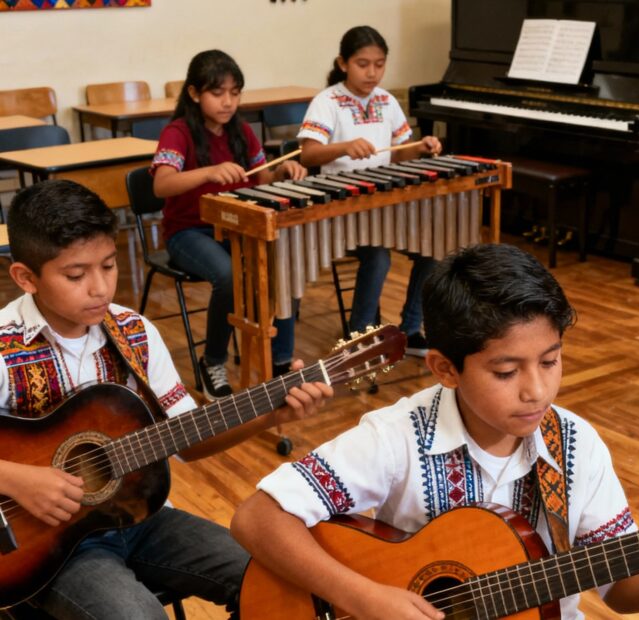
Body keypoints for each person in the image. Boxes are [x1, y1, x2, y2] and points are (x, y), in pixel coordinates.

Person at [231, 243, 639, 619]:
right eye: (506, 372)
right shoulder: (397, 437)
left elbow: (620, 590)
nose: (537, 391)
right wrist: (362, 597)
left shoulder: (575, 446)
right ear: (445, 368)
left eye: (550, 361)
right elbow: (257, 517)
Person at [0, 180, 332, 619]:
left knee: (274, 577)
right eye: (76, 276)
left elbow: (187, 440)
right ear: (25, 277)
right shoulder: (4, 346)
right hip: (46, 548)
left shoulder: (134, 332)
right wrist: (16, 479)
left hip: (142, 518)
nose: (100, 288)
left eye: (109, 265)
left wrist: (269, 415)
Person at [153, 49, 308, 399]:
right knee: (228, 276)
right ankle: (212, 362)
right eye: (217, 92)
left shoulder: (241, 131)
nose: (228, 102)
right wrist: (208, 172)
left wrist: (282, 172)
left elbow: (262, 178)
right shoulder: (178, 132)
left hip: (238, 226)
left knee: (282, 262)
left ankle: (281, 362)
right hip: (188, 232)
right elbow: (161, 184)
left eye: (235, 93)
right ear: (194, 93)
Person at [297, 25, 443, 357]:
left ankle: (412, 329)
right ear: (343, 63)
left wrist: (422, 147)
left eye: (379, 64)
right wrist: (344, 147)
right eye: (363, 64)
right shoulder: (327, 101)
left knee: (433, 246)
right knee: (377, 256)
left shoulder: (387, 101)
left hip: (385, 205)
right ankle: (358, 338)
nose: (372, 72)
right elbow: (308, 155)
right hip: (340, 209)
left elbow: (401, 153)